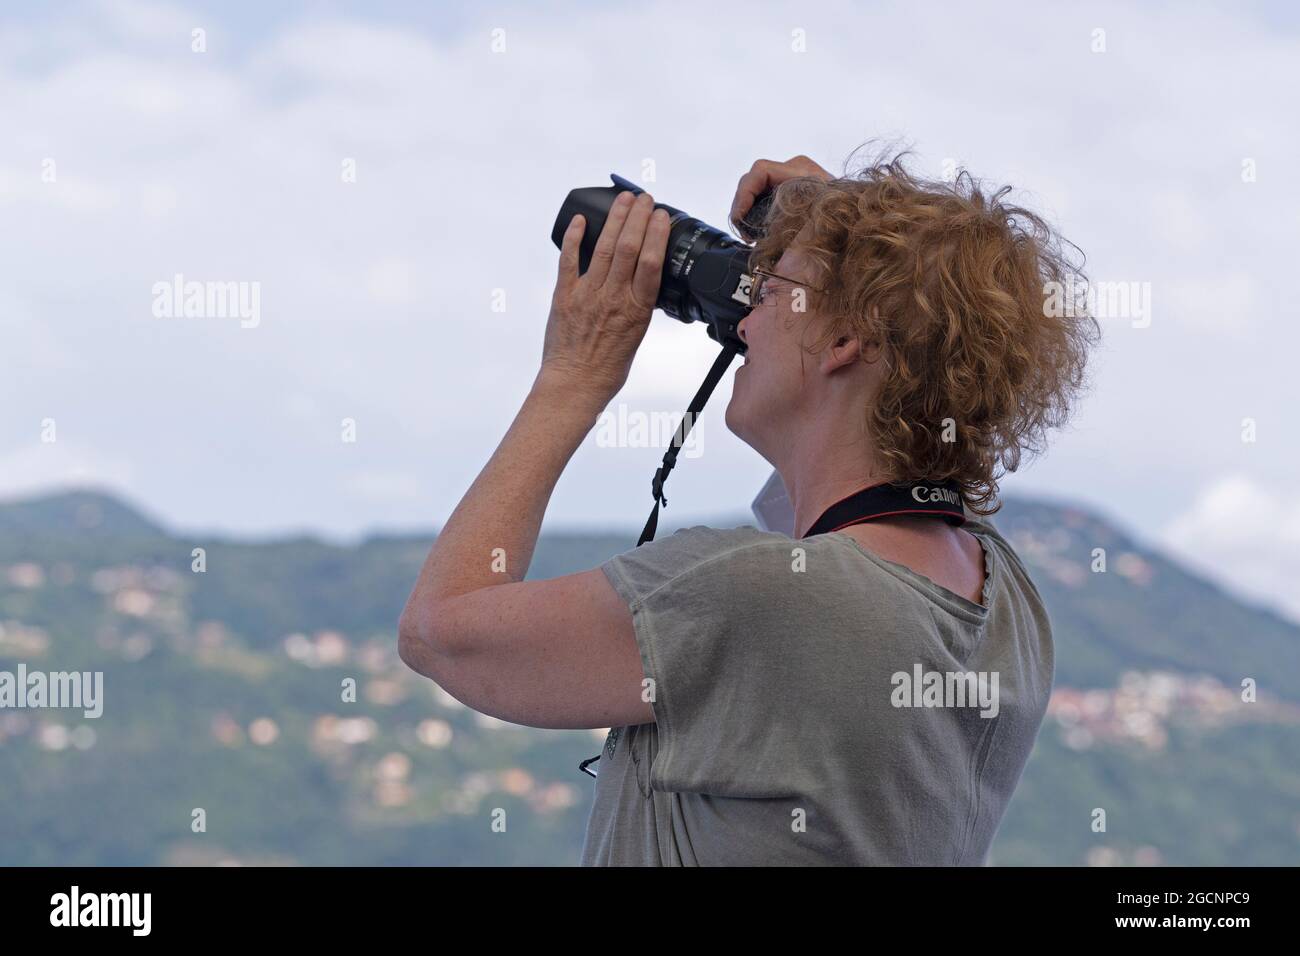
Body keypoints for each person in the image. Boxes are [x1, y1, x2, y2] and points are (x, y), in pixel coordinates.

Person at [398, 152, 1100, 865]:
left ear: (845, 340)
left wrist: (573, 377)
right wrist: (839, 248)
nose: (740, 325)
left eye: (764, 295)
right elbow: (859, 483)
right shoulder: (1005, 599)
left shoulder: (762, 595)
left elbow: (438, 632)